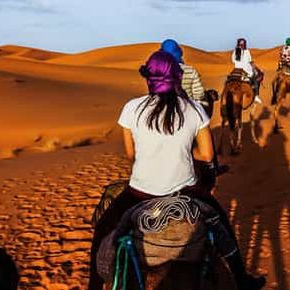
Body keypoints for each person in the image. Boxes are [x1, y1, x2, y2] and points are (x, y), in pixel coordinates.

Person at [88, 51, 265, 290]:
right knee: (222, 225)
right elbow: (207, 155)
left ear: (148, 78)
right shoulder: (194, 109)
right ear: (177, 77)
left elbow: (131, 155)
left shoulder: (131, 109)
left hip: (140, 192)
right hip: (186, 192)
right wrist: (183, 150)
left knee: (102, 230)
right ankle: (242, 280)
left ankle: (93, 285)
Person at [161, 39, 209, 108]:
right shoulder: (190, 70)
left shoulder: (159, 70)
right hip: (188, 106)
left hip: (164, 106)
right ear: (179, 52)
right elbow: (199, 93)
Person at [231, 38, 262, 104]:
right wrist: (255, 67)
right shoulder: (247, 51)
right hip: (246, 71)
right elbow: (250, 61)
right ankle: (256, 96)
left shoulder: (235, 51)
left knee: (228, 79)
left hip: (237, 71)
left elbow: (233, 61)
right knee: (256, 78)